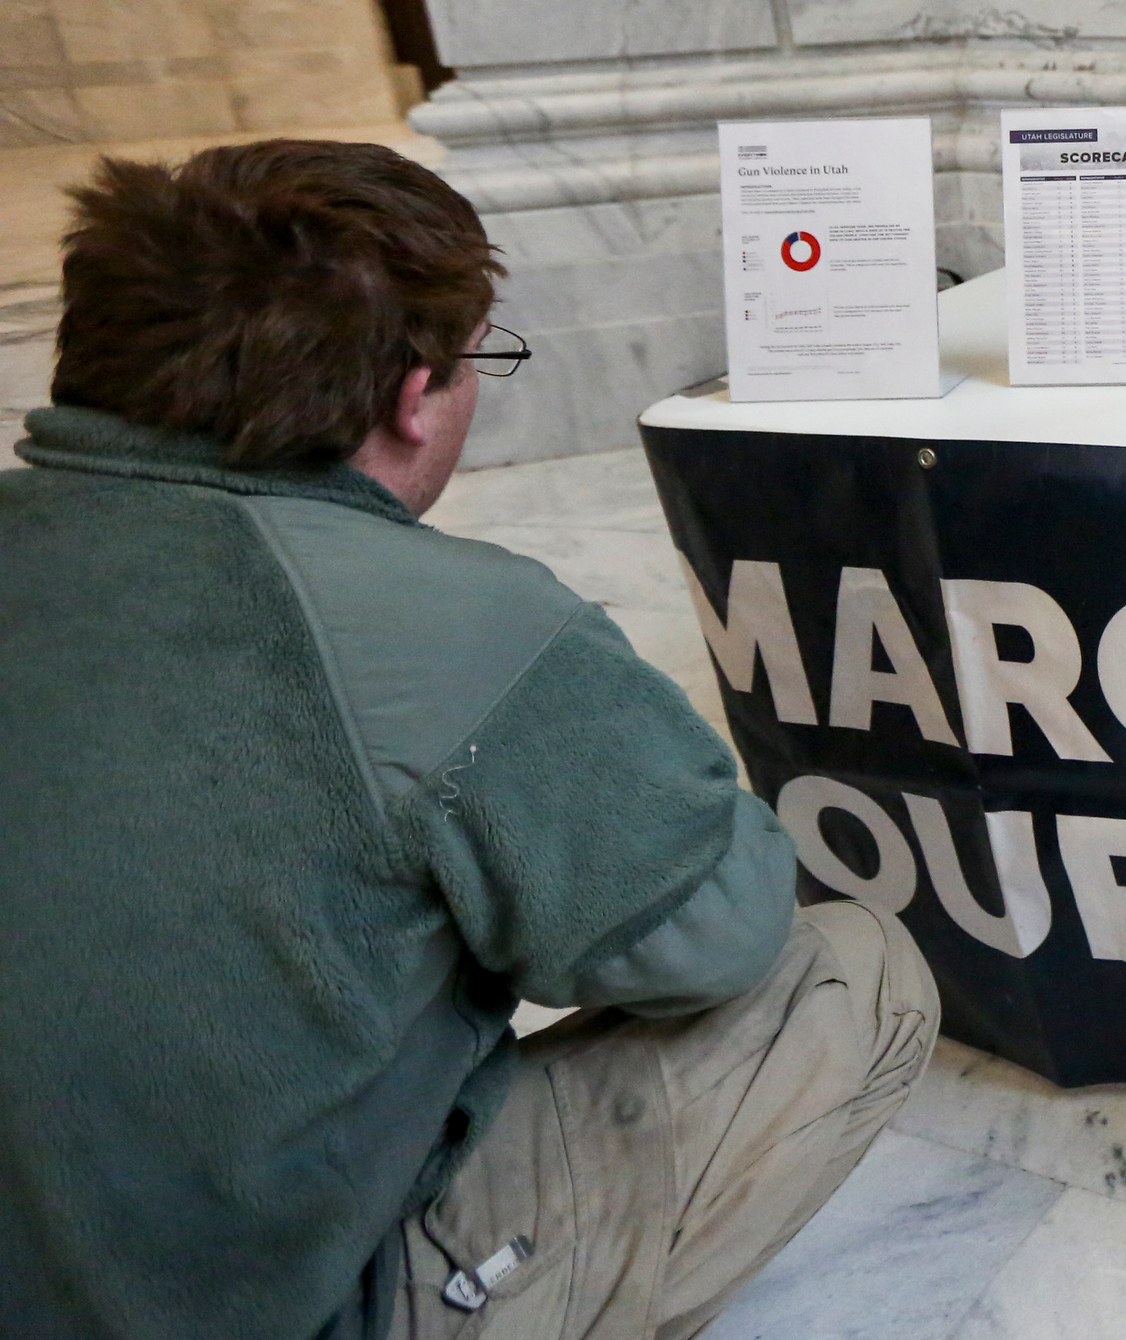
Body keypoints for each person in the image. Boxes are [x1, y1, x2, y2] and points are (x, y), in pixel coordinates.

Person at [0, 141, 940, 1340]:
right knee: (846, 973)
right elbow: (715, 936)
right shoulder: (445, 621)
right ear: (413, 392)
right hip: (268, 1307)